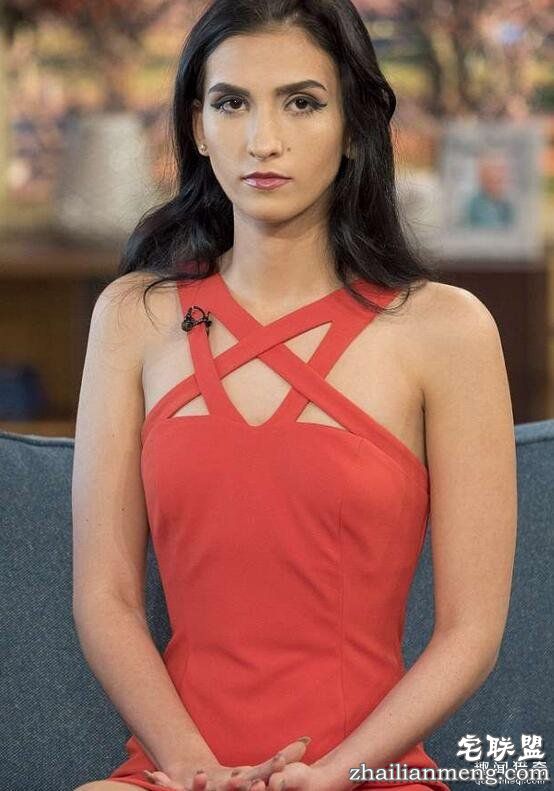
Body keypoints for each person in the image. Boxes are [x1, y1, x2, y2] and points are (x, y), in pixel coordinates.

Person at [71, 2, 517, 791]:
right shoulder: (132, 317)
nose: (262, 139)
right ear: (198, 126)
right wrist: (198, 770)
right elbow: (106, 600)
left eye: (302, 103)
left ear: (352, 128)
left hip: (365, 771)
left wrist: (337, 771)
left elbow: (470, 632)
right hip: (176, 770)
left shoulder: (449, 331)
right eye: (231, 103)